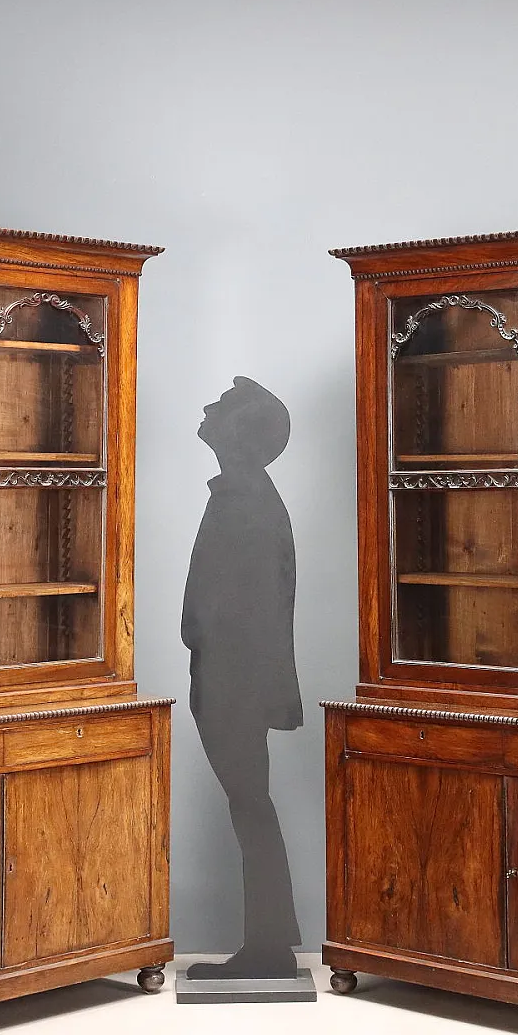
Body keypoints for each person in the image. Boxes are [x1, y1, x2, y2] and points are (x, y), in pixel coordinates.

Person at [182, 377, 303, 980]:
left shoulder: (246, 500)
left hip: (235, 678)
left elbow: (249, 608)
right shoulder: (246, 494)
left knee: (251, 804)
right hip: (232, 675)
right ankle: (270, 944)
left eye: (221, 407)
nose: (207, 408)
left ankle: (269, 948)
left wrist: (220, 666)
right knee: (251, 804)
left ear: (238, 432)